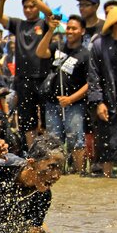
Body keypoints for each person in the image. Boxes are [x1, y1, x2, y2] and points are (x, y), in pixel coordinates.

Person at [0, 0, 54, 147]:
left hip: (42, 77)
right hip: (22, 79)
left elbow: (50, 13)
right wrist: (2, 0)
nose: (28, 9)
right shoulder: (18, 24)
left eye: (32, 6)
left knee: (46, 119)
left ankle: (49, 154)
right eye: (25, 6)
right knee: (27, 120)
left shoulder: (45, 23)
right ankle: (34, 154)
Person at [35, 15, 89, 173]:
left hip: (74, 105)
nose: (70, 31)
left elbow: (90, 83)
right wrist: (51, 30)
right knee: (53, 141)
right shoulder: (57, 47)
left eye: (74, 28)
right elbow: (40, 52)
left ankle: (78, 173)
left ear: (82, 31)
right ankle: (57, 172)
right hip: (53, 103)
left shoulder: (85, 54)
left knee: (76, 140)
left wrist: (71, 98)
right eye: (69, 28)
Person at [87, 6, 117, 177]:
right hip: (108, 102)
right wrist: (98, 102)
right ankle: (106, 182)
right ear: (115, 23)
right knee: (106, 147)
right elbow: (93, 76)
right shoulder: (99, 45)